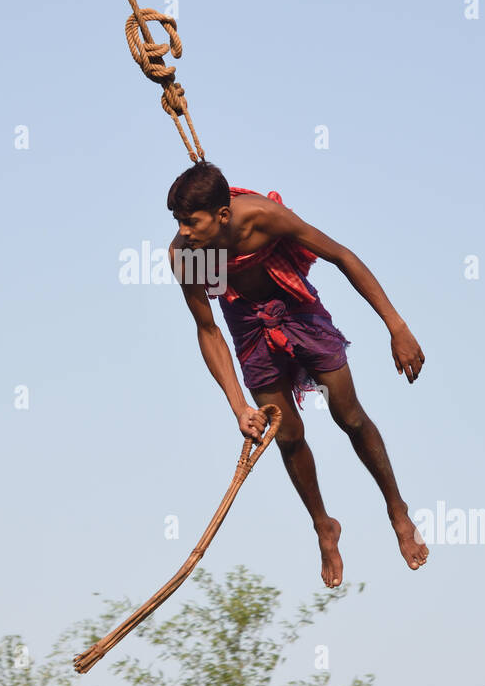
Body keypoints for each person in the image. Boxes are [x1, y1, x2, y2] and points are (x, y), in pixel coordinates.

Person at [167, 160, 428, 586]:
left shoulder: (262, 218)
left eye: (191, 222)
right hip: (247, 324)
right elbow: (208, 329)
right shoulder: (189, 255)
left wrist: (396, 326)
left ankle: (396, 508)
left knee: (350, 416)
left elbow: (341, 256)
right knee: (287, 435)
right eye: (178, 222)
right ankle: (324, 525)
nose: (184, 232)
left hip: (296, 307)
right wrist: (237, 407)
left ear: (224, 215)